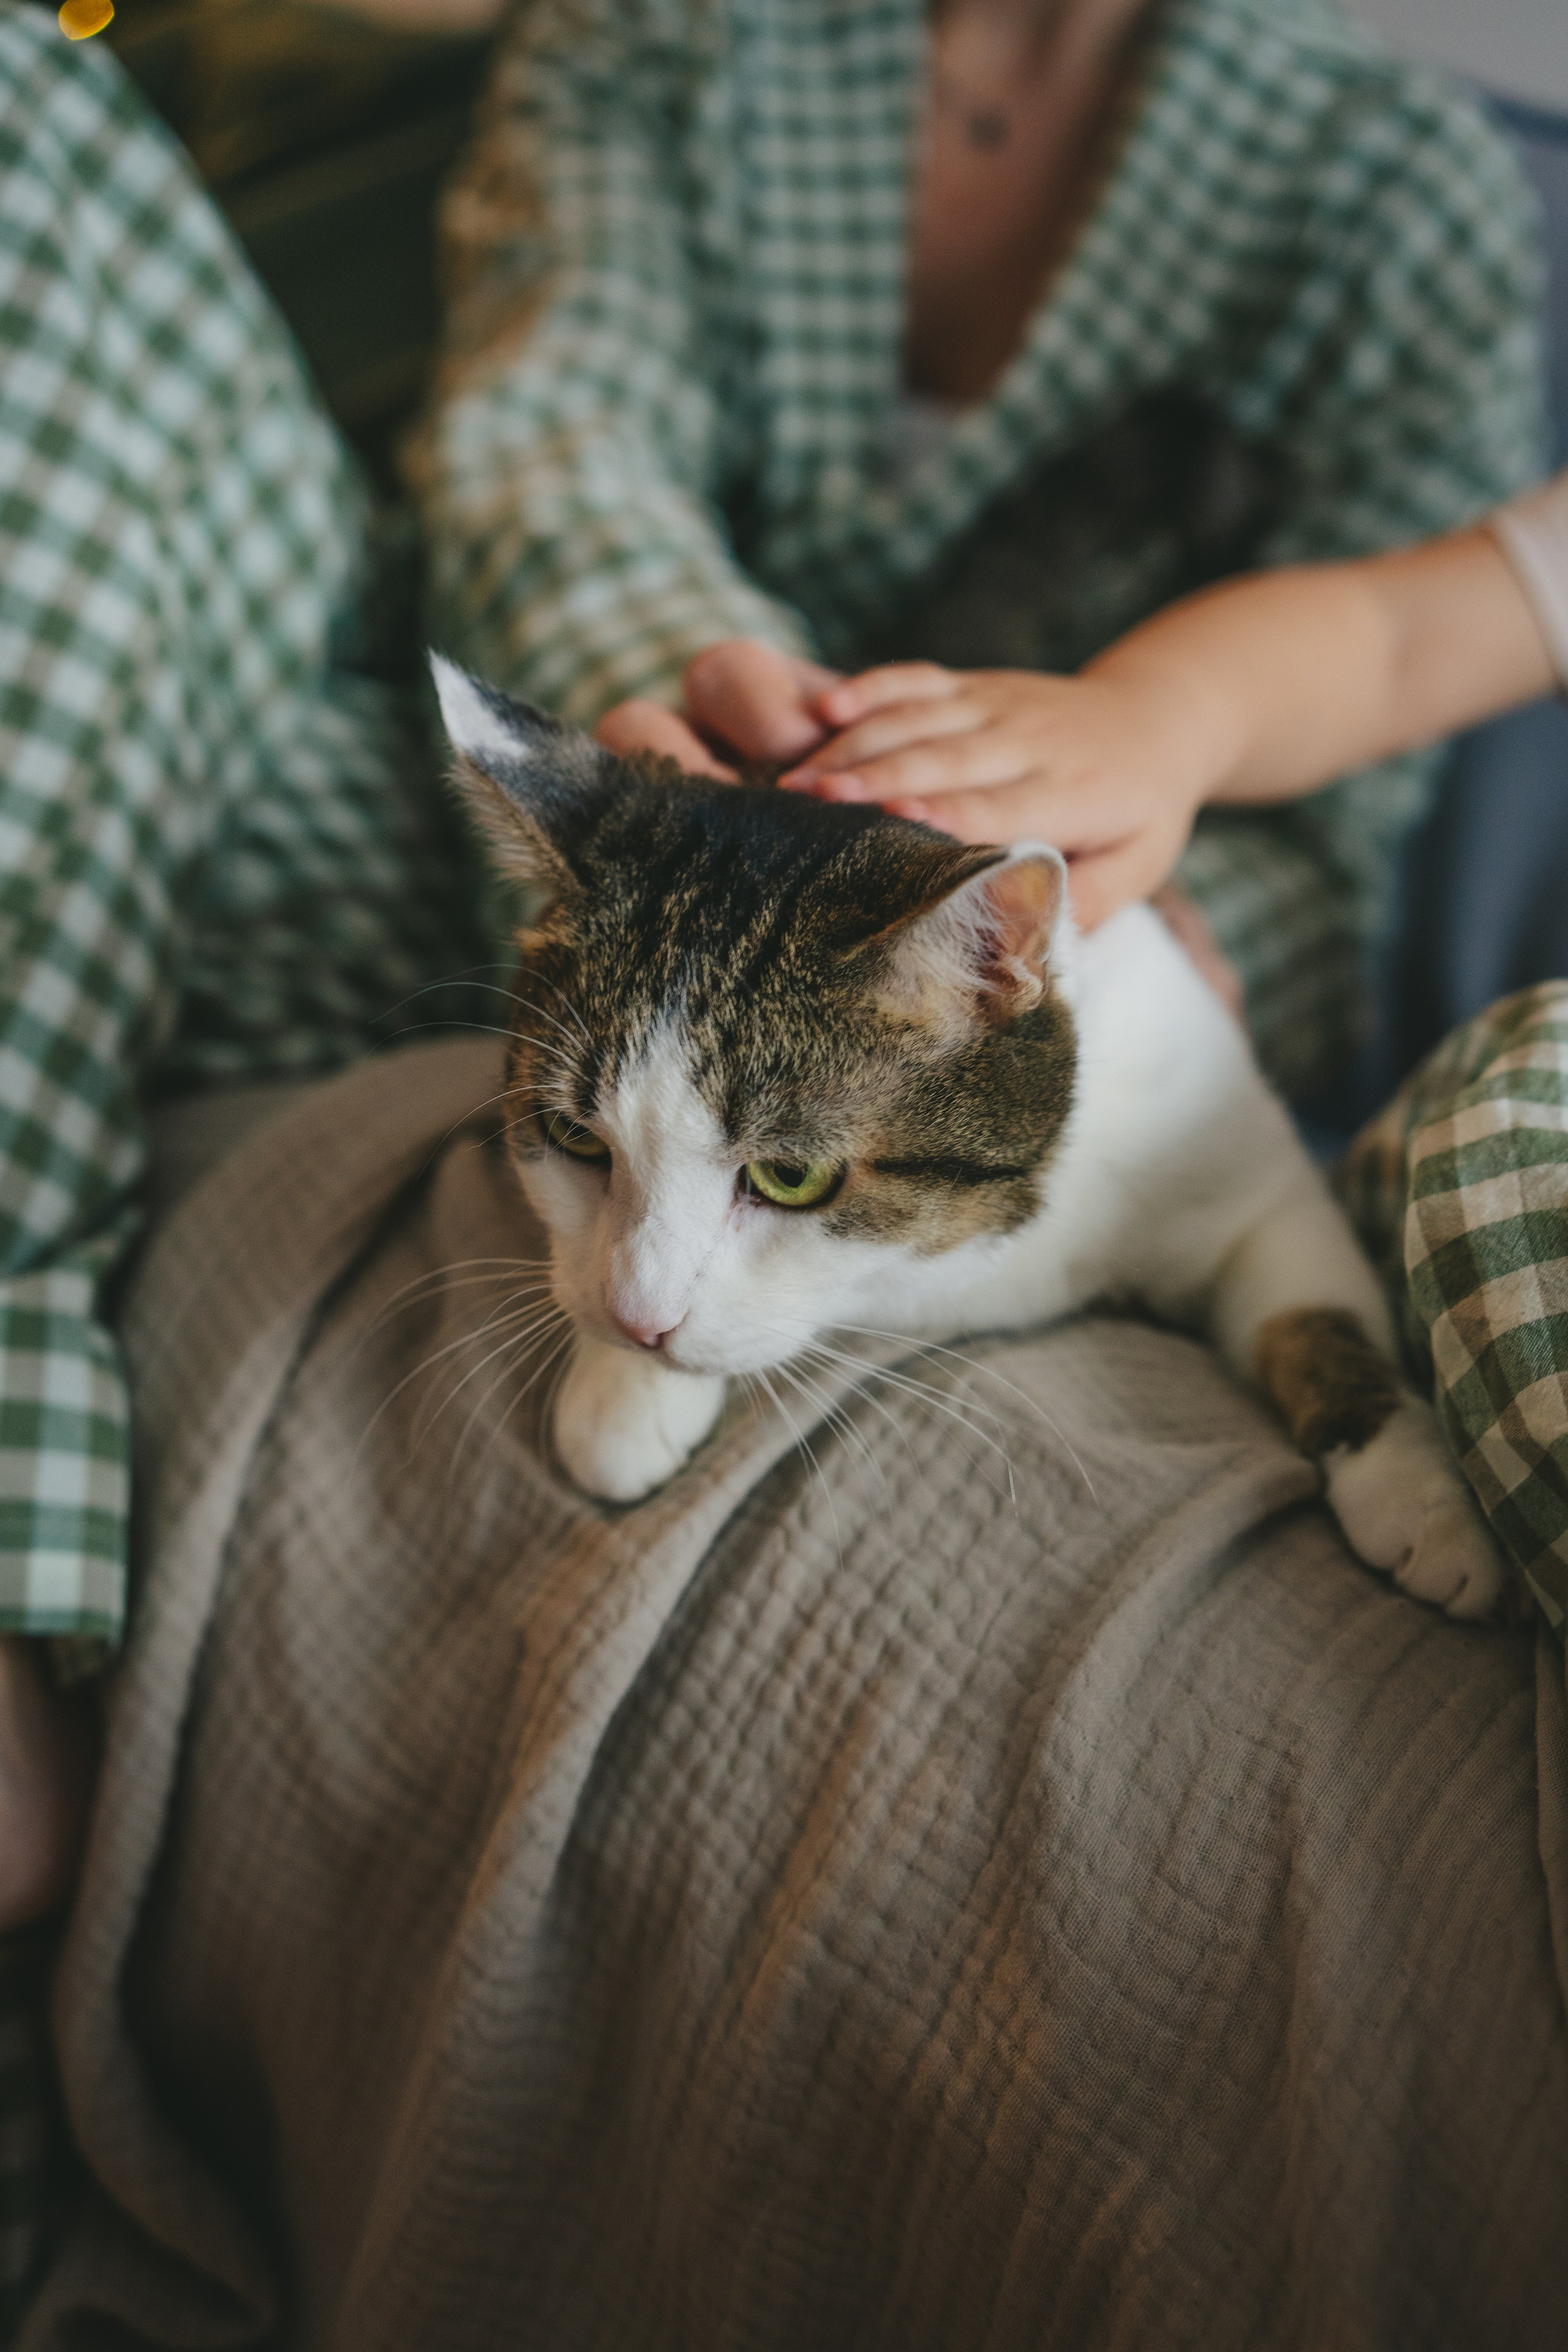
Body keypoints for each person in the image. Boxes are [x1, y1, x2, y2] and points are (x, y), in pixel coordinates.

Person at [415, 0, 1547, 1102]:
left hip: (1048, 968)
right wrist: (694, 731)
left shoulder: (1395, 198)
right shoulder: (664, 31)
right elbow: (557, 446)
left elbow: (1334, 837)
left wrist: (1098, 942)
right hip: (560, 793)